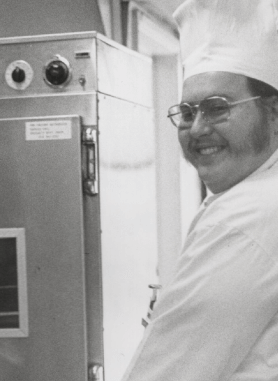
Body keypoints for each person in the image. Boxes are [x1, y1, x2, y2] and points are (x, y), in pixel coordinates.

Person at [121, 0, 278, 380]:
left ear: (274, 113)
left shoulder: (247, 215)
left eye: (217, 107)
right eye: (187, 113)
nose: (196, 129)